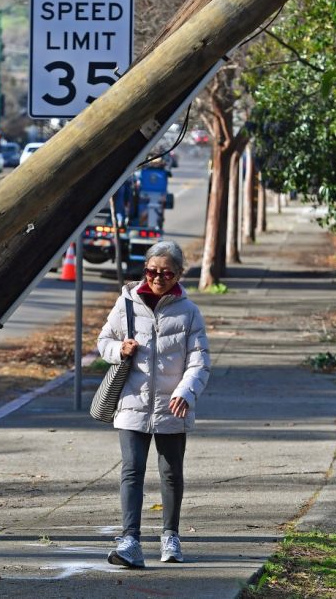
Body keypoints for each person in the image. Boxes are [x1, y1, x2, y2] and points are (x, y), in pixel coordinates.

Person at [97, 240, 210, 568]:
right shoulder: (127, 304)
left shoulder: (189, 312)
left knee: (171, 472)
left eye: (166, 273)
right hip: (133, 402)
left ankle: (170, 536)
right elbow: (103, 342)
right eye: (151, 271)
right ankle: (130, 539)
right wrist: (120, 350)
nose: (157, 278)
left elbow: (199, 361)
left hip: (172, 405)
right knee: (131, 471)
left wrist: (186, 392)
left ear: (179, 275)